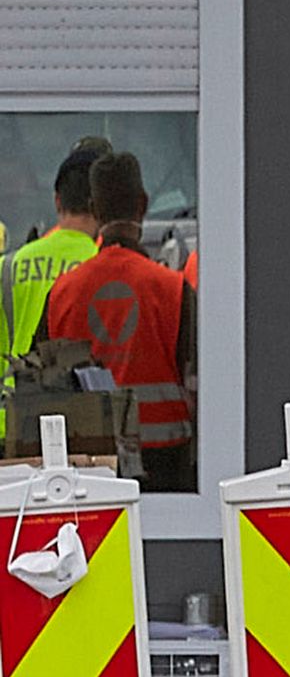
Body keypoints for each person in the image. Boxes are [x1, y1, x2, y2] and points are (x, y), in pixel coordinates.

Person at [39, 150, 194, 491]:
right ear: (143, 203)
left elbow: (43, 393)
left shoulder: (62, 293)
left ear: (93, 210)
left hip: (88, 473)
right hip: (168, 470)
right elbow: (198, 388)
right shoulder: (173, 289)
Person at [7, 137, 114, 358]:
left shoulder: (8, 267)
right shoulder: (106, 267)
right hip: (79, 392)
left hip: (13, 391)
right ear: (101, 203)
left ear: (57, 201)